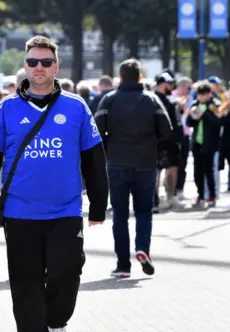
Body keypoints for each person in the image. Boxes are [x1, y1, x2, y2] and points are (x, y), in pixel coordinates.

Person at [0, 35, 108, 332]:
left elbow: (93, 158)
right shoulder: (7, 109)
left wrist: (99, 205)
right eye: (33, 62)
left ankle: (56, 325)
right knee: (25, 280)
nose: (39, 68)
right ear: (25, 66)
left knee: (66, 273)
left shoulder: (76, 107)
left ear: (56, 66)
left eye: (46, 62)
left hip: (65, 211)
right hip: (19, 212)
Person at [95, 59, 172, 278]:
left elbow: (96, 131)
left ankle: (122, 265)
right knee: (144, 211)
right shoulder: (152, 100)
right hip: (146, 163)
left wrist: (109, 148)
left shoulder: (108, 100)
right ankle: (142, 249)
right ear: (139, 77)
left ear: (120, 78)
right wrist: (151, 144)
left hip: (117, 163)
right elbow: (167, 131)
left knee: (119, 214)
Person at [186, 81, 222, 208]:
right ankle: (200, 194)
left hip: (209, 143)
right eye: (199, 95)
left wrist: (203, 115)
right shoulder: (195, 105)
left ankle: (212, 195)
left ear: (209, 94)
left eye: (204, 95)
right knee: (197, 171)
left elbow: (217, 122)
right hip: (197, 142)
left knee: (209, 170)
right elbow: (189, 123)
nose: (201, 97)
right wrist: (191, 115)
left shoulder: (214, 105)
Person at [153, 72, 184, 211]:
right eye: (169, 84)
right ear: (161, 84)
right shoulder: (153, 99)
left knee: (173, 168)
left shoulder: (171, 100)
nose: (172, 86)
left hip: (172, 142)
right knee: (157, 171)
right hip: (159, 141)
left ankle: (170, 198)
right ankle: (155, 199)